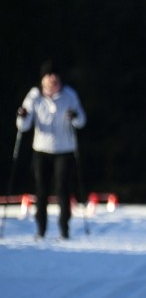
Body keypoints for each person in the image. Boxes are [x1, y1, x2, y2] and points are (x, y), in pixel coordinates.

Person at [16, 60, 87, 240]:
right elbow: (23, 126)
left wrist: (75, 117)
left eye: (55, 75)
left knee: (62, 188)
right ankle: (41, 229)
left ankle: (64, 229)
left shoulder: (69, 95)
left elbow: (82, 121)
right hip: (41, 149)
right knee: (41, 190)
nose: (53, 79)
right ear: (43, 79)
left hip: (65, 149)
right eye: (49, 76)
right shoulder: (34, 96)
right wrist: (22, 116)